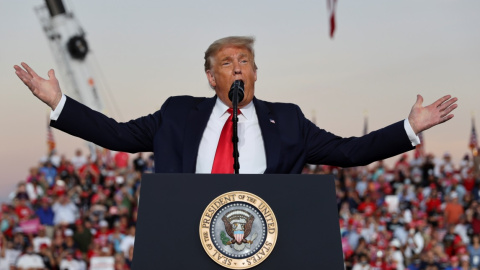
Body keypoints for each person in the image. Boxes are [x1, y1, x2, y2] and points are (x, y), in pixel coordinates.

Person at [13, 36, 458, 173]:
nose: (238, 66)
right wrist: (61, 103)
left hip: (268, 243)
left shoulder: (287, 119)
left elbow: (348, 152)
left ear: (256, 73)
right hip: (187, 236)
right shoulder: (176, 113)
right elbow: (117, 135)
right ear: (211, 77)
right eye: (227, 62)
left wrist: (408, 127)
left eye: (245, 60)